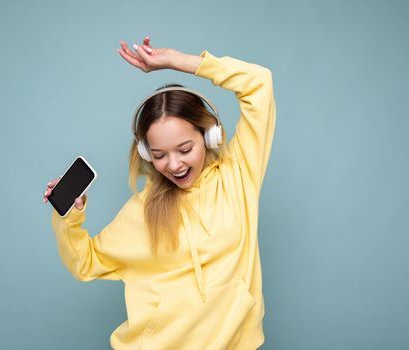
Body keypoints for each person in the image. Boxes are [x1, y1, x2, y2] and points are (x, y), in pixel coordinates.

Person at [43, 35, 276, 349]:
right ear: (144, 152)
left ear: (209, 136)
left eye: (184, 148)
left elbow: (259, 83)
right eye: (159, 154)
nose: (174, 164)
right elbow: (87, 262)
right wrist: (69, 217)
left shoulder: (238, 176)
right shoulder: (143, 211)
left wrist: (178, 61)